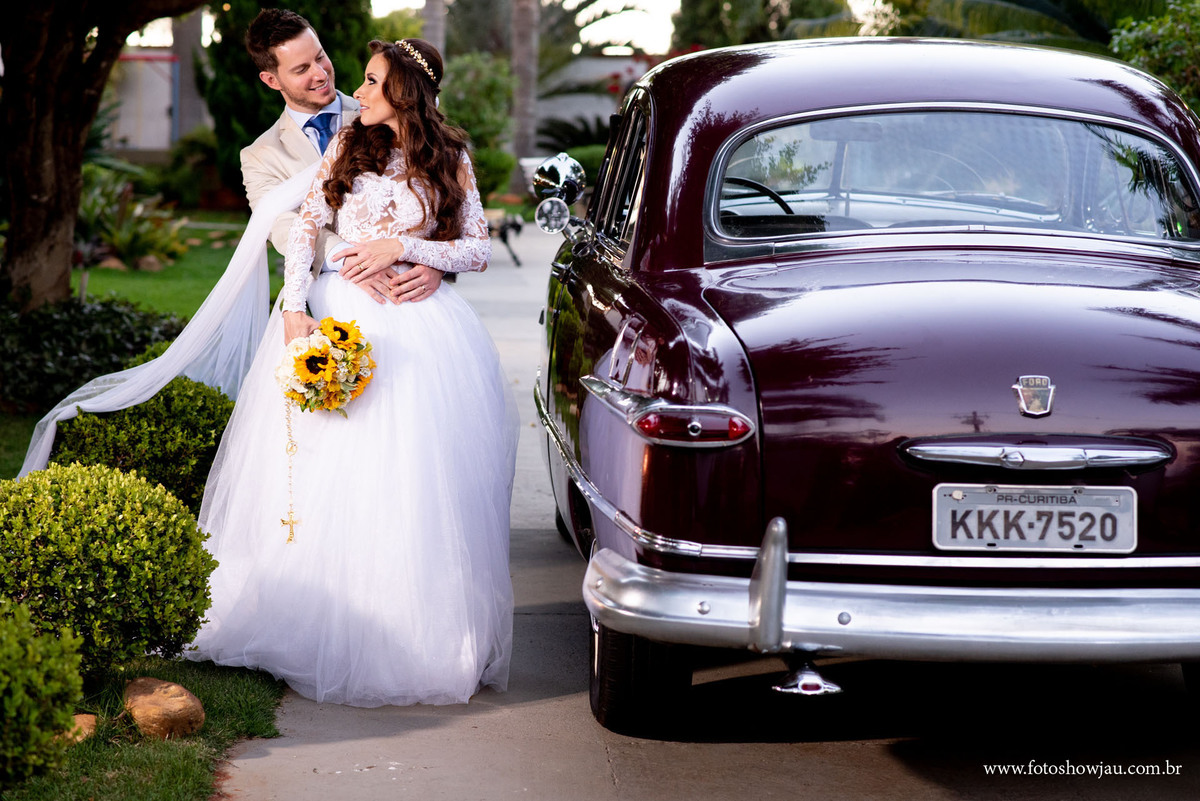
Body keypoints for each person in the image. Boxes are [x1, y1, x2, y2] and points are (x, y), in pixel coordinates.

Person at [186, 37, 519, 707]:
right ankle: (314, 619)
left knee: (413, 479)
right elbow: (305, 231)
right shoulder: (346, 144)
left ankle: (417, 632)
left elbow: (478, 247)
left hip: (424, 337)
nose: (356, 92)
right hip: (343, 318)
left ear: (404, 93)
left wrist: (414, 251)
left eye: (371, 82)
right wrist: (294, 309)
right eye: (361, 80)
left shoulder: (450, 156)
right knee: (329, 472)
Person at [241, 9, 454, 303]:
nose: (320, 74)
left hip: (409, 292)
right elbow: (282, 226)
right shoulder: (260, 156)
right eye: (301, 70)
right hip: (325, 296)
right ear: (271, 80)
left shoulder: (386, 109)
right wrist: (352, 260)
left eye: (320, 57)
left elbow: (446, 196)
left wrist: (435, 264)